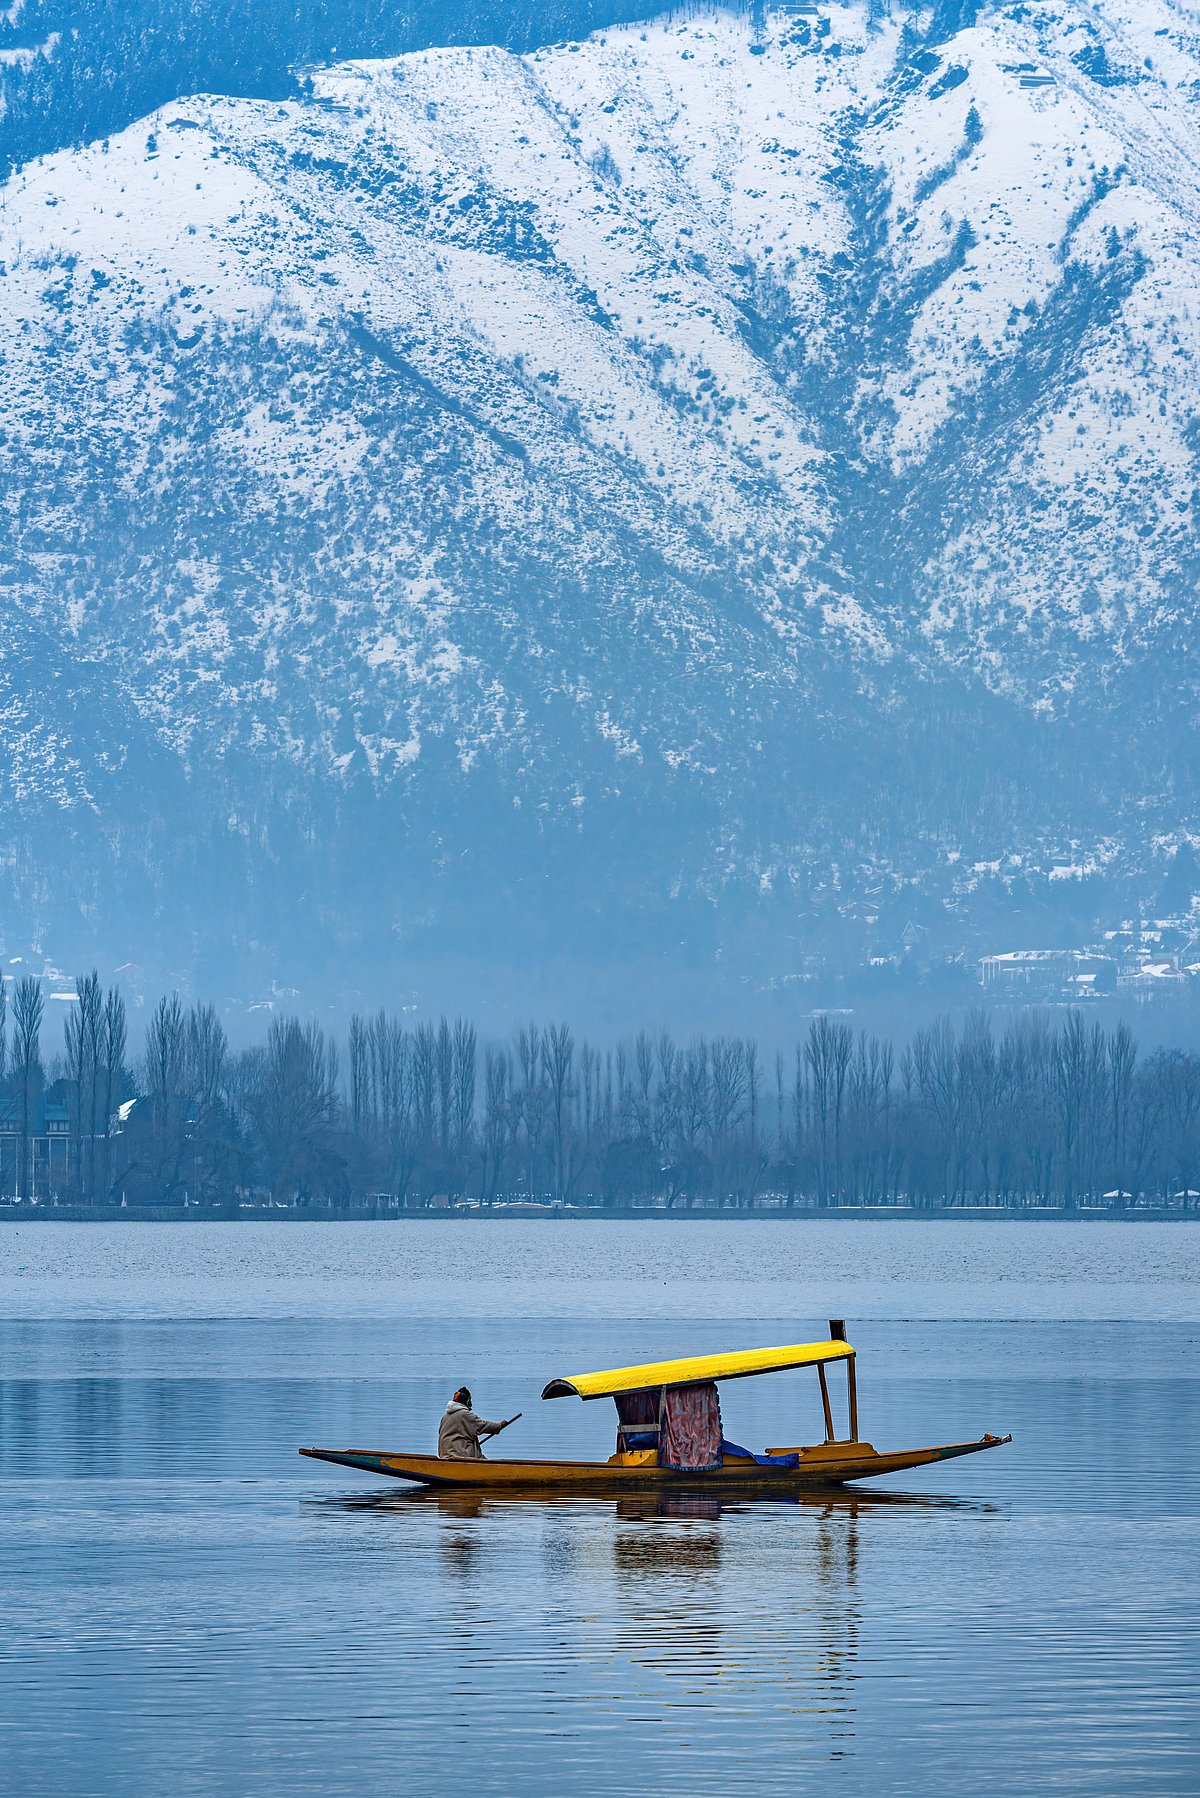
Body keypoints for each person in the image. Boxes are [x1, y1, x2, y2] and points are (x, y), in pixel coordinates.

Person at [437, 1387, 512, 1460]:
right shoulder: (464, 1414)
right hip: (458, 1456)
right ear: (466, 1401)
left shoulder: (445, 1416)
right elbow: (482, 1425)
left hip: (445, 1455)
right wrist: (499, 1425)